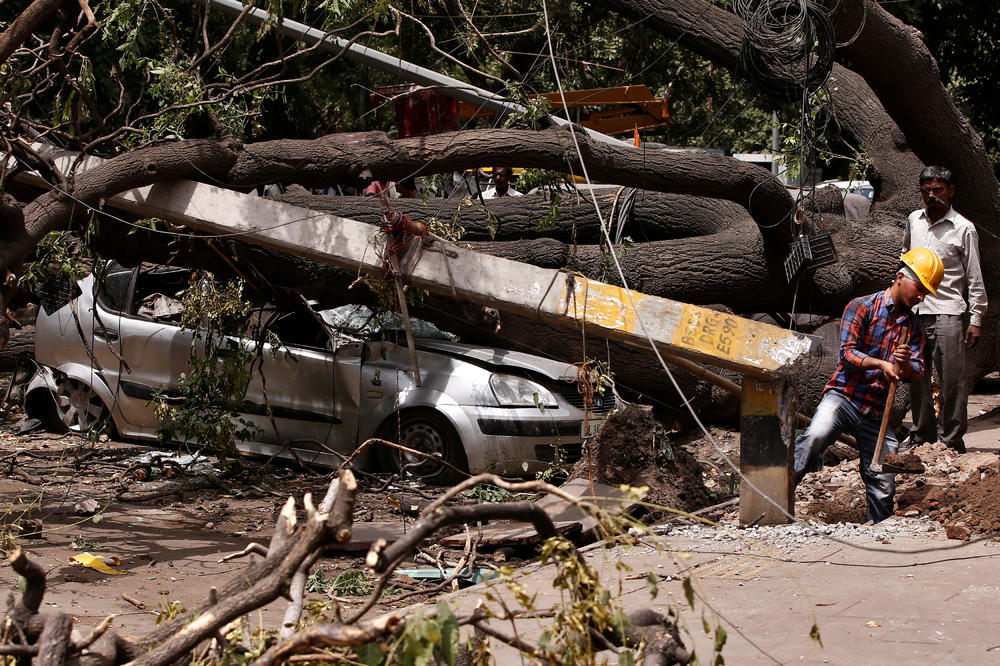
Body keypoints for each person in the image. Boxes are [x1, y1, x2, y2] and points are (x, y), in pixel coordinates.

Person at [794, 248, 943, 523]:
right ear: (900, 277)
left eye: (926, 293)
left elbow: (916, 372)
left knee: (884, 478)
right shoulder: (862, 307)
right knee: (815, 436)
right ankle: (775, 501)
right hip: (844, 397)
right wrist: (882, 364)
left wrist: (905, 363)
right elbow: (848, 354)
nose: (921, 297)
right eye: (919, 288)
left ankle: (879, 531)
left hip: (876, 411)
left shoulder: (913, 328)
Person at [902, 166, 988, 454]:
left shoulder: (963, 227)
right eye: (926, 189)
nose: (931, 195)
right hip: (915, 313)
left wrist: (975, 318)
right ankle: (921, 435)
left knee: (951, 379)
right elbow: (906, 261)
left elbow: (974, 277)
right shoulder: (913, 220)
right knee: (916, 377)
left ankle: (951, 439)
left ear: (950, 191)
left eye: (937, 189)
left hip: (949, 311)